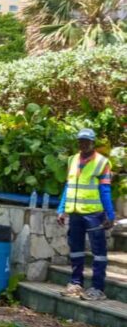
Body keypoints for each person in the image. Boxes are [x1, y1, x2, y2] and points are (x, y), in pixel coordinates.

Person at [57, 127, 115, 302]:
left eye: (87, 141)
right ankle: (75, 284)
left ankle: (98, 288)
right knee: (76, 250)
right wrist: (62, 209)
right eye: (81, 141)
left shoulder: (102, 162)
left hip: (94, 214)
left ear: (92, 143)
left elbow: (105, 190)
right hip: (75, 213)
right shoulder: (72, 160)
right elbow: (68, 186)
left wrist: (110, 215)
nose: (83, 144)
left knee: (99, 252)